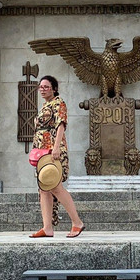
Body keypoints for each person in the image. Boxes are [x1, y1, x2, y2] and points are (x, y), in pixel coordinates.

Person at [29, 75, 85, 238]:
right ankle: (47, 227)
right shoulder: (45, 106)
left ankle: (77, 222)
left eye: (46, 87)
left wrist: (56, 147)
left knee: (55, 186)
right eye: (41, 87)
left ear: (54, 89)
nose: (42, 89)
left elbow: (61, 125)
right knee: (43, 187)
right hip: (41, 152)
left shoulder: (58, 103)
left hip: (53, 150)